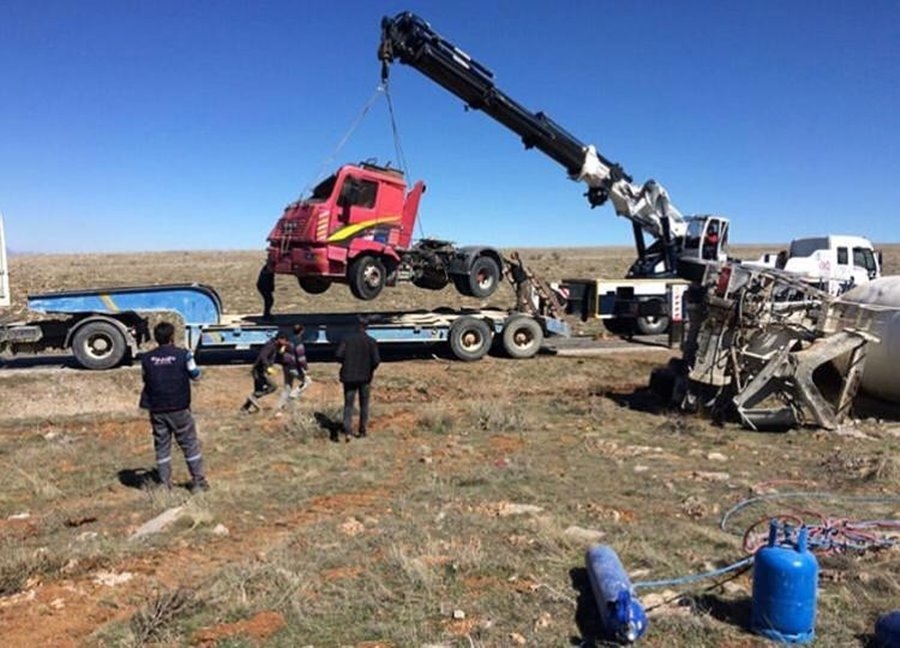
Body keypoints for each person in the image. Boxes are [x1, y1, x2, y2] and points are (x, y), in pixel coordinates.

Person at [139, 321, 208, 493]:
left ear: (156, 338)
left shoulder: (146, 358)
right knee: (189, 444)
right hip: (179, 407)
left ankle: (164, 484)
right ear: (172, 337)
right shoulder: (184, 355)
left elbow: (146, 378)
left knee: (162, 446)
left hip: (156, 408)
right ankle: (198, 482)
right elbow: (196, 375)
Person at [335, 316, 380, 442]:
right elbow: (376, 360)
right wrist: (370, 369)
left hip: (349, 377)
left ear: (355, 326)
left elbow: (338, 355)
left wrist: (346, 363)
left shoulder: (347, 339)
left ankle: (347, 431)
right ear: (367, 327)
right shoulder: (371, 341)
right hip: (365, 377)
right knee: (364, 405)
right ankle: (362, 430)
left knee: (348, 405)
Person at [241, 331, 290, 414]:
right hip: (259, 371)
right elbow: (263, 356)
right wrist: (267, 367)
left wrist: (282, 350)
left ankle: (244, 409)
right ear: (280, 339)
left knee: (258, 390)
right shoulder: (270, 345)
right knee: (273, 386)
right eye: (285, 340)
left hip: (260, 370)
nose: (286, 342)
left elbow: (278, 356)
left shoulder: (276, 346)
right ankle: (251, 398)